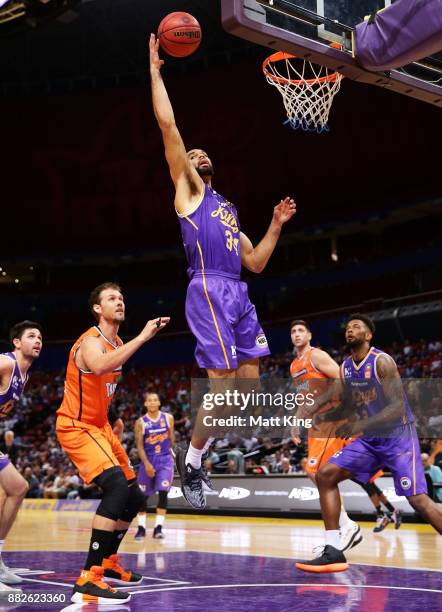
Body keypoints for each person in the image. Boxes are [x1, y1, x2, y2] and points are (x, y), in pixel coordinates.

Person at [149, 34, 296, 509]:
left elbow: (254, 262)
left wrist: (274, 225)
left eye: (203, 154)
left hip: (238, 289)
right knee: (222, 388)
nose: (199, 155)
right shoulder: (188, 194)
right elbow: (169, 127)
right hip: (208, 288)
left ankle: (198, 457)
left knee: (247, 390)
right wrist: (155, 72)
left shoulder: (227, 207)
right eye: (193, 155)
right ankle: (190, 466)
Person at [296, 314, 442, 573]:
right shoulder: (347, 367)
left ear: (369, 335)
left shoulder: (381, 361)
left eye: (357, 327)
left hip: (398, 438)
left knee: (417, 499)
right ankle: (333, 550)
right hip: (370, 439)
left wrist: (358, 425)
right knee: (325, 475)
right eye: (348, 327)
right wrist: (308, 413)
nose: (350, 330)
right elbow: (338, 395)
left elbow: (397, 407)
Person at [56, 282, 169, 604]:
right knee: (118, 488)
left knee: (134, 496)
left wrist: (113, 418)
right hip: (77, 426)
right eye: (111, 299)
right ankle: (88, 577)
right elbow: (99, 366)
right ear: (97, 308)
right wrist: (144, 337)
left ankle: (108, 563)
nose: (119, 302)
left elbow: (104, 385)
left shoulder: (116, 341)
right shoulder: (90, 342)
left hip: (101, 427)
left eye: (121, 297)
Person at [289, 320, 361, 551]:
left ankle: (344, 527)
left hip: (332, 417)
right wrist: (296, 421)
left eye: (301, 330)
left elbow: (342, 378)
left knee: (317, 473)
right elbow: (305, 397)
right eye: (293, 331)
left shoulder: (316, 356)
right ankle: (342, 529)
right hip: (316, 424)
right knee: (319, 474)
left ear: (309, 335)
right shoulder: (293, 366)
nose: (297, 334)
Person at [0, 321, 42, 592]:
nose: (38, 340)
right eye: (31, 336)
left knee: (12, 489)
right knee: (11, 488)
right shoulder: (5, 364)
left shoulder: (23, 374)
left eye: (40, 337)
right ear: (16, 342)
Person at [134, 392, 174, 540]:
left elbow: (171, 440)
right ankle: (141, 528)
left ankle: (158, 528)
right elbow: (139, 446)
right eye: (149, 400)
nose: (152, 402)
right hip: (148, 461)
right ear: (145, 404)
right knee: (142, 497)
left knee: (163, 493)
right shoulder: (141, 422)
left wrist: (170, 457)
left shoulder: (168, 418)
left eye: (155, 400)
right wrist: (147, 464)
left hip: (164, 461)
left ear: (159, 403)